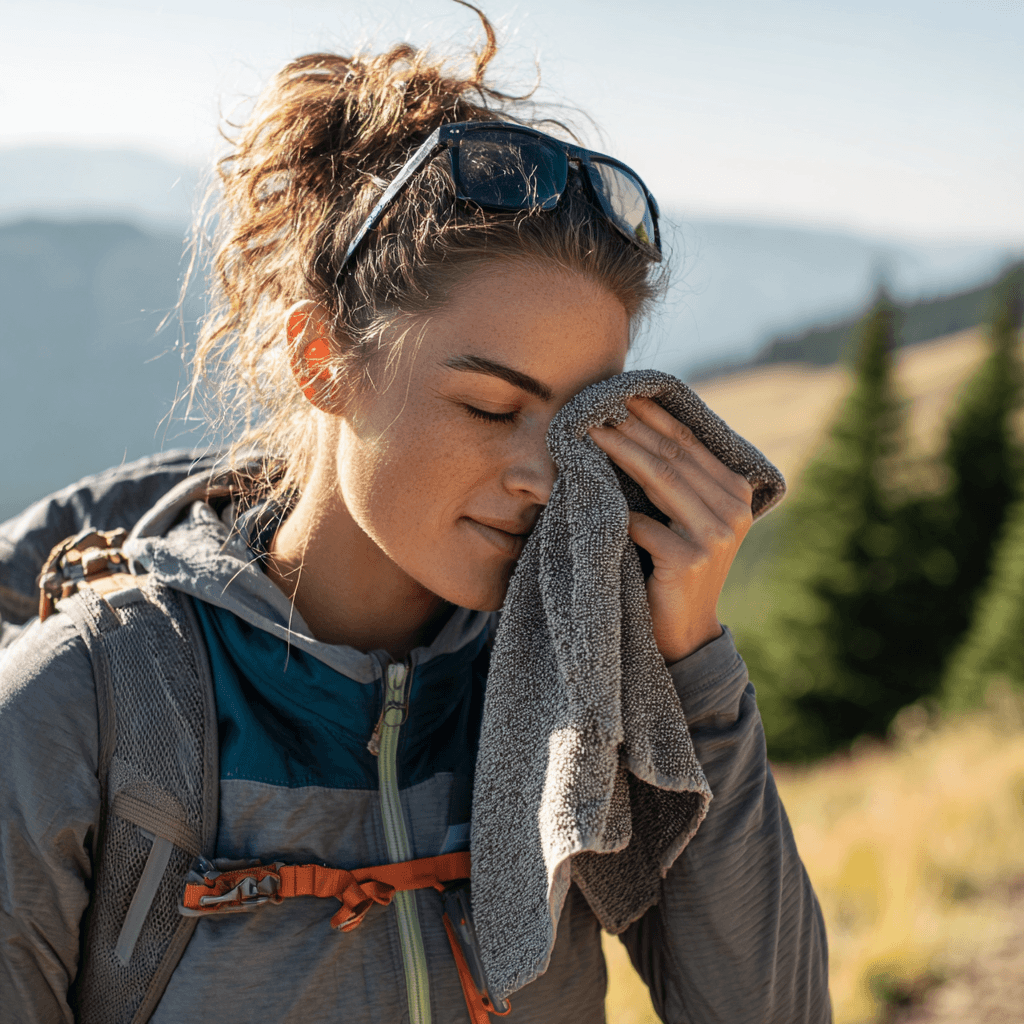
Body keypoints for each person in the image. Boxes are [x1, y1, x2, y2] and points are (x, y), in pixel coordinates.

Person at [0, 9, 830, 1023]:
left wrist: (691, 664)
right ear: (322, 359)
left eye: (580, 423)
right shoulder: (78, 709)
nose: (544, 475)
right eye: (488, 407)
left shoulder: (576, 672)